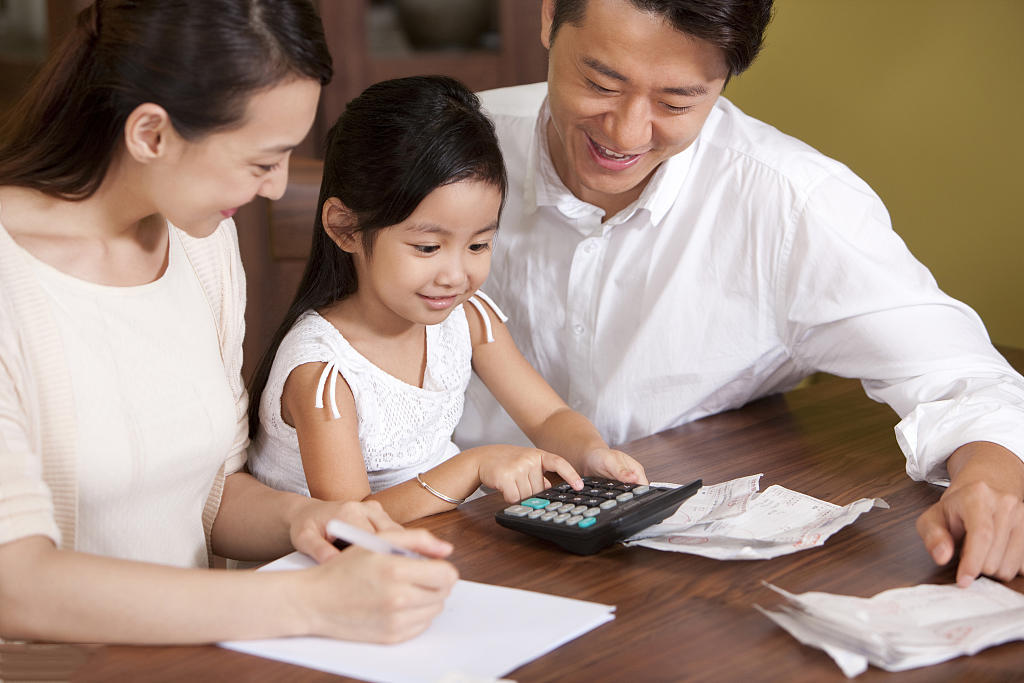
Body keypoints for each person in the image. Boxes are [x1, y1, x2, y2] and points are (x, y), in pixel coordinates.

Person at [454, 0, 1024, 587]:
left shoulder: (790, 202)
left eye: (677, 103)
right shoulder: (448, 149)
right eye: (601, 84)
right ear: (549, 15)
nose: (625, 133)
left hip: (660, 569)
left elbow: (963, 378)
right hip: (447, 523)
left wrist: (989, 482)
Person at [0, 0, 457, 645]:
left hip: (201, 655)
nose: (275, 188)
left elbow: (207, 494)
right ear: (151, 134)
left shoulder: (200, 243)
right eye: (262, 161)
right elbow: (15, 586)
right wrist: (308, 603)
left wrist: (309, 519)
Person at [246, 75, 647, 524]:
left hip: (434, 538)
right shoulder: (324, 373)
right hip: (338, 559)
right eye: (427, 247)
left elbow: (548, 415)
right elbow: (350, 524)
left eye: (478, 245)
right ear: (345, 227)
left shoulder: (468, 317)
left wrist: (592, 453)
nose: (456, 276)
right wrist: (473, 466)